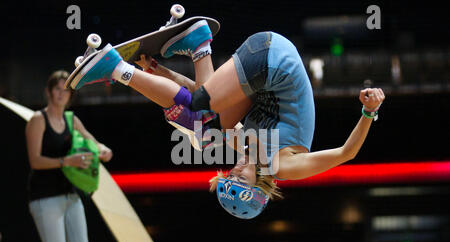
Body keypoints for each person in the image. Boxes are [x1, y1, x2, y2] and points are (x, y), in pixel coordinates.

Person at [67, 20, 384, 219]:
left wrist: (161, 72)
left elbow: (201, 94)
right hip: (274, 62)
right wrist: (369, 111)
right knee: (201, 122)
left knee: (204, 126)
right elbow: (347, 153)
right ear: (260, 185)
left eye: (230, 176)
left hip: (264, 79)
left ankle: (198, 45)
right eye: (241, 179)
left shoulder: (247, 148)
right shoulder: (283, 166)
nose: (235, 171)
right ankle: (113, 67)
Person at [25, 70, 113, 242]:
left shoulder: (72, 120)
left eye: (66, 90)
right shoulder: (38, 119)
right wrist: (66, 161)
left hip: (71, 195)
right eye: (57, 88)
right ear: (48, 92)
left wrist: (103, 150)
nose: (61, 94)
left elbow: (92, 142)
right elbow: (35, 161)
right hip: (45, 196)